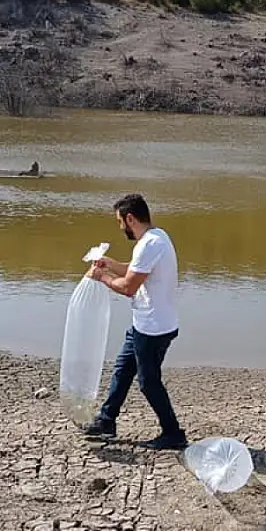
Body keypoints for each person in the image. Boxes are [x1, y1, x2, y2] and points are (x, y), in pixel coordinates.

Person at [82, 193, 188, 450]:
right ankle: (107, 421)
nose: (121, 228)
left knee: (148, 383)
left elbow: (129, 287)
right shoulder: (157, 237)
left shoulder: (148, 244)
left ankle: (173, 433)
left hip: (154, 328)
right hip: (145, 323)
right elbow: (134, 269)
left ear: (130, 218)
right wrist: (109, 264)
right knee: (123, 369)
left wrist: (102, 278)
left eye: (121, 222)